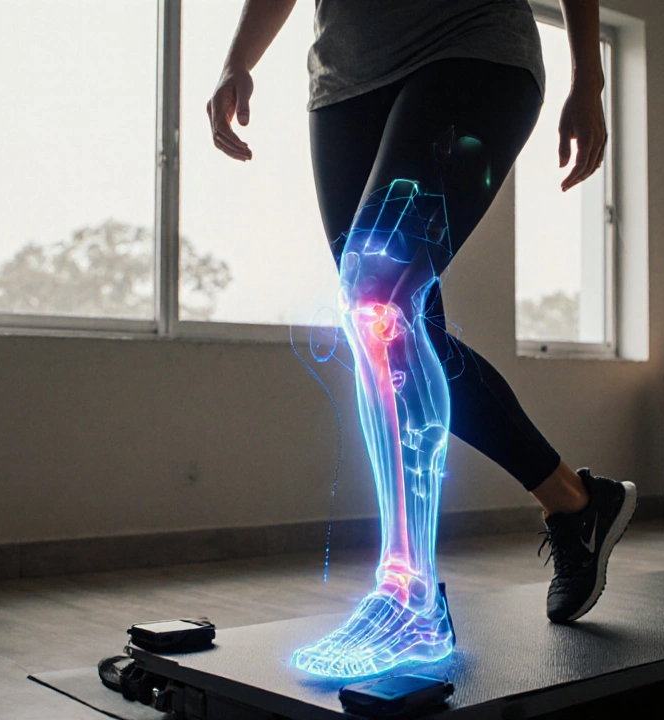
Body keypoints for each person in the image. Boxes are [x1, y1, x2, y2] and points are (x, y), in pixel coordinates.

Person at [207, 0, 636, 678]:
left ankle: (407, 595)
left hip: (470, 46)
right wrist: (239, 59)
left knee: (378, 299)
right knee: (392, 326)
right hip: (345, 81)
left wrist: (590, 78)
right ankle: (575, 502)